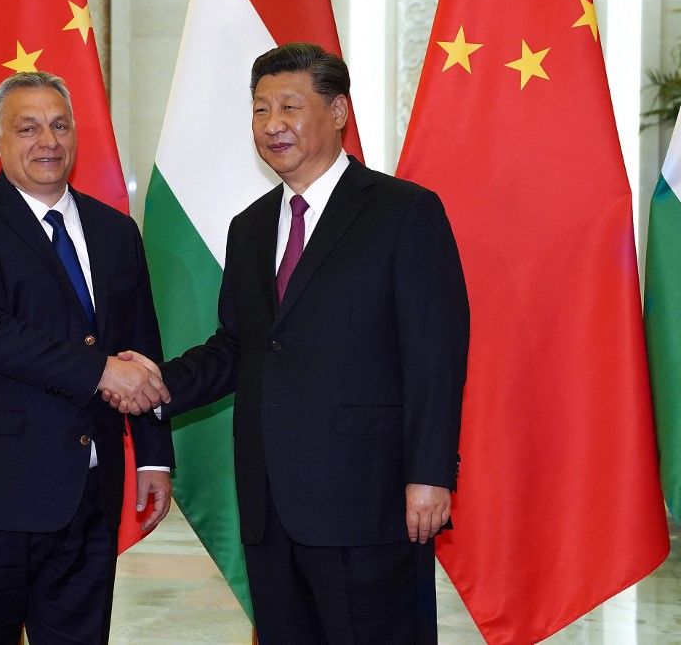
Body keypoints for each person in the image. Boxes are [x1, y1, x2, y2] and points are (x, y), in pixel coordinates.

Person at [107, 42, 469, 643]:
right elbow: (238, 347)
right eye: (259, 109)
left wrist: (429, 474)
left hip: (369, 500)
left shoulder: (404, 212)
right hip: (271, 505)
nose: (272, 125)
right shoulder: (249, 227)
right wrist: (156, 385)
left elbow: (436, 355)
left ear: (337, 112)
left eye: (289, 107)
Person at [0, 71, 175, 645]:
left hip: (90, 491)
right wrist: (102, 370)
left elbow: (141, 345)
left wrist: (153, 455)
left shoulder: (116, 232)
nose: (47, 141)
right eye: (27, 128)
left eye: (58, 125)